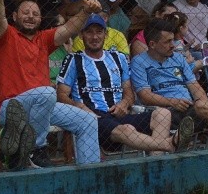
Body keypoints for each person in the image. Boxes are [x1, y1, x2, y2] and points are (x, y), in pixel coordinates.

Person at [0, 0, 102, 168]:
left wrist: (86, 11)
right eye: (25, 13)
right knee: (48, 92)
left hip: (43, 106)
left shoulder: (44, 39)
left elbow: (69, 28)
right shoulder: (5, 36)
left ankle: (90, 176)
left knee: (87, 120)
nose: (30, 17)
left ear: (41, 19)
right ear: (14, 16)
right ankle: (35, 149)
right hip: (11, 107)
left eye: (35, 14)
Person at [56, 13, 186, 155]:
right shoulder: (73, 59)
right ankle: (167, 144)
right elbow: (61, 95)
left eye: (99, 32)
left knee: (163, 114)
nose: (95, 37)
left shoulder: (119, 58)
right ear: (81, 35)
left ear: (105, 34)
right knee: (127, 128)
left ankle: (156, 163)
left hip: (119, 114)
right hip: (94, 118)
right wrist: (79, 107)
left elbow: (128, 91)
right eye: (89, 32)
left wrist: (125, 103)